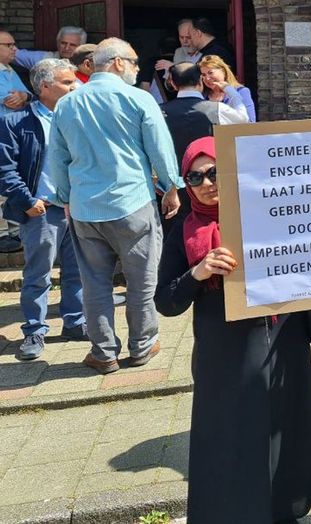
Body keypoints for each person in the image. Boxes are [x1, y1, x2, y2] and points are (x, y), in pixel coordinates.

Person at [154, 137, 311, 523]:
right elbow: (165, 302)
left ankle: (284, 509)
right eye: (195, 176)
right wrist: (198, 273)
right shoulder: (183, 231)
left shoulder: (269, 213)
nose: (206, 182)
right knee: (231, 436)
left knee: (285, 425)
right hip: (225, 350)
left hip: (283, 339)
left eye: (215, 171)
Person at [47, 38, 183, 375]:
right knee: (141, 279)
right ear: (118, 63)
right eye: (135, 62)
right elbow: (160, 149)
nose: (138, 69)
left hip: (84, 207)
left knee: (94, 283)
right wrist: (171, 187)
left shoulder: (66, 104)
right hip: (132, 202)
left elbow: (58, 158)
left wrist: (64, 198)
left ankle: (103, 352)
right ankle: (142, 345)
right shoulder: (137, 99)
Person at [0, 59, 85, 361]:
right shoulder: (17, 122)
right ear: (45, 87)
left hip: (77, 208)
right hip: (42, 210)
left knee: (77, 271)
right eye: (67, 82)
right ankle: (34, 329)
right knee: (39, 274)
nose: (75, 86)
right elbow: (5, 169)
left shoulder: (78, 117)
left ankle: (75, 322)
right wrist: (27, 201)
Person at [162, 62, 248, 223]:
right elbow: (244, 121)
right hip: (210, 183)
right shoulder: (217, 109)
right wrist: (230, 91)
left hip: (173, 187)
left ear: (173, 83)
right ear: (200, 80)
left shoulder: (159, 111)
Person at [198, 54, 255, 122]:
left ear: (223, 71)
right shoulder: (202, 96)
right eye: (203, 75)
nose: (207, 78)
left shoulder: (241, 92)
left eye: (210, 73)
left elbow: (250, 121)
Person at [13, 26, 86, 69]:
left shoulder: (87, 64)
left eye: (72, 45)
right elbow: (12, 53)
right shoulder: (45, 59)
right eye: (63, 43)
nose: (67, 48)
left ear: (81, 46)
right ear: (57, 43)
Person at [0, 28, 30, 110]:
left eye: (14, 44)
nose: (15, 49)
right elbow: (13, 103)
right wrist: (24, 98)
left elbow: (30, 97)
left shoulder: (8, 68)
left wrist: (25, 96)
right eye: (9, 45)